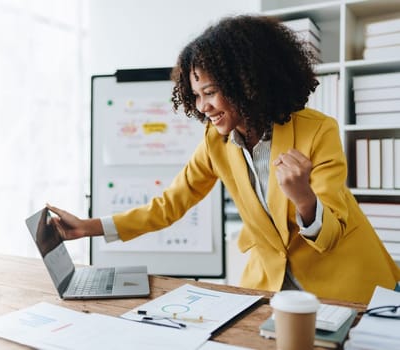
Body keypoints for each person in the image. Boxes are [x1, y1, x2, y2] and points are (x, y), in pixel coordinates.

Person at [47, 14, 400, 304]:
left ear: (247, 83)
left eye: (211, 93)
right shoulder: (215, 142)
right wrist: (87, 227)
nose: (202, 108)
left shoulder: (318, 131)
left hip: (343, 282)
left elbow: (332, 232)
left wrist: (304, 199)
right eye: (196, 96)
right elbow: (169, 206)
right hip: (271, 284)